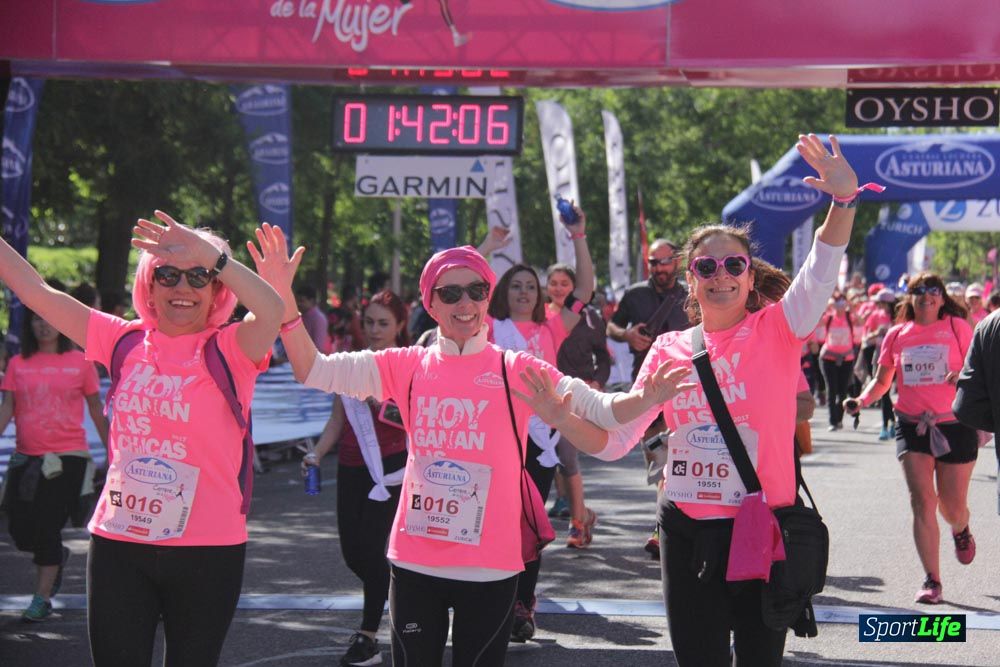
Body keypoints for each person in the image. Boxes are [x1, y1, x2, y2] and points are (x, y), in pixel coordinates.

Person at [250, 225, 690, 667]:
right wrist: (283, 296)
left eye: (477, 291)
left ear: (487, 296)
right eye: (451, 293)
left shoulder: (515, 368)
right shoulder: (406, 364)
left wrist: (647, 397)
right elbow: (312, 369)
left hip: (490, 565)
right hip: (416, 561)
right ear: (431, 303)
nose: (465, 304)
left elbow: (603, 410)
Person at [519, 133, 861, 666]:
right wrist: (561, 416)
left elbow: (819, 271)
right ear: (690, 280)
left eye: (734, 266)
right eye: (706, 268)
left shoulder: (779, 327)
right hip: (684, 528)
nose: (720, 276)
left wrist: (843, 201)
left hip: (760, 526)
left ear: (750, 275)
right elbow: (616, 440)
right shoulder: (670, 348)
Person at [0, 211, 283, 664]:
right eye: (167, 275)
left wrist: (212, 255)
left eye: (199, 276)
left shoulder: (232, 347)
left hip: (208, 551)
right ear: (149, 286)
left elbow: (272, 310)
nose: (183, 287)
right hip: (119, 546)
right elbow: (36, 291)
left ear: (217, 291)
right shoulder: (120, 339)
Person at [845, 271, 977, 605]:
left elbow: (976, 370)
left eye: (933, 290)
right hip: (911, 424)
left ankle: (960, 528)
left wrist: (961, 378)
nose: (926, 295)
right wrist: (861, 400)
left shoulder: (957, 327)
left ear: (942, 298)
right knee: (921, 501)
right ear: (910, 297)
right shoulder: (896, 334)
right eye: (919, 290)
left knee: (952, 507)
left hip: (954, 424)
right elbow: (882, 381)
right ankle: (933, 580)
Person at [305, 290, 410, 666]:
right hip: (351, 467)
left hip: (390, 469)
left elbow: (416, 418)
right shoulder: (351, 363)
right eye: (369, 323)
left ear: (400, 325)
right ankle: (403, 594)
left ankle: (367, 636)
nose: (375, 330)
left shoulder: (408, 363)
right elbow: (337, 419)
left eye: (383, 323)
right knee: (353, 555)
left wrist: (381, 404)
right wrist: (317, 453)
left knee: (371, 550)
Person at [0, 305, 109, 621]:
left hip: (67, 460)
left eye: (49, 319)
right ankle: (57, 557)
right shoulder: (18, 364)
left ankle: (41, 598)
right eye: (37, 319)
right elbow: (7, 408)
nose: (43, 325)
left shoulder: (80, 362)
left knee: (47, 526)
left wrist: (116, 453)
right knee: (20, 529)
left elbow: (96, 408)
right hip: (26, 459)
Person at [607, 238, 691, 556]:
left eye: (664, 261)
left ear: (677, 261)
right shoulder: (635, 295)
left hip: (689, 389)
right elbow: (612, 326)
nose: (658, 268)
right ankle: (663, 524)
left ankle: (672, 525)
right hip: (648, 392)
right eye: (653, 262)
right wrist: (626, 334)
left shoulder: (692, 294)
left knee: (688, 457)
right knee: (660, 461)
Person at [545, 262, 606, 549]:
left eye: (564, 283)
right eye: (553, 283)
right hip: (543, 397)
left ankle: (577, 523)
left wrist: (597, 382)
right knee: (553, 459)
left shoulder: (590, 317)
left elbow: (602, 356)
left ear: (573, 288)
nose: (558, 288)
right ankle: (583, 513)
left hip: (574, 398)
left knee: (567, 457)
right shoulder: (540, 317)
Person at [860, 288, 898, 440]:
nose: (878, 305)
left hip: (897, 357)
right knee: (884, 392)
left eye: (881, 303)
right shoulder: (875, 315)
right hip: (881, 355)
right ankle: (886, 426)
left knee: (893, 392)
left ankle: (893, 423)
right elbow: (866, 336)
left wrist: (889, 331)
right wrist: (877, 333)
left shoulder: (899, 316)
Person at [818, 290, 858, 431]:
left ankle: (839, 419)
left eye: (842, 302)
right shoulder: (828, 318)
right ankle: (832, 421)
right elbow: (816, 323)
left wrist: (851, 307)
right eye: (837, 302)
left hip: (846, 358)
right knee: (832, 389)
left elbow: (861, 321)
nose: (840, 306)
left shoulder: (849, 317)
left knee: (842, 391)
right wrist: (826, 306)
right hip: (828, 358)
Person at [295, 284, 332, 353]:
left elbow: (318, 347)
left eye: (301, 301)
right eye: (297, 300)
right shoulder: (301, 316)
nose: (298, 304)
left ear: (312, 301)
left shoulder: (318, 319)